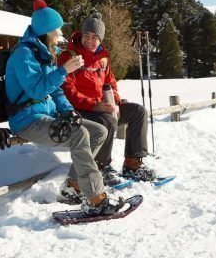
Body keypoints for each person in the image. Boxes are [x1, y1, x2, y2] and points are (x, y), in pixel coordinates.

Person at [0, 0, 123, 216]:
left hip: (47, 115)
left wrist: (68, 111)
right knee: (79, 134)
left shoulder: (44, 53)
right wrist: (63, 71)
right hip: (27, 120)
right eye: (57, 30)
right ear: (46, 31)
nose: (61, 34)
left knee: (99, 131)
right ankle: (95, 199)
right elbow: (35, 90)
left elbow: (57, 91)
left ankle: (74, 186)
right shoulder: (24, 55)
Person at [57, 12, 157, 186]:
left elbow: (110, 83)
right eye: (86, 35)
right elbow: (67, 91)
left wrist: (115, 103)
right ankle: (102, 167)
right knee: (108, 119)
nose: (89, 40)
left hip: (101, 107)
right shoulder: (70, 56)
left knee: (138, 111)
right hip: (78, 110)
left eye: (95, 37)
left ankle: (132, 163)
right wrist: (96, 106)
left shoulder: (102, 59)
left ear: (101, 39)